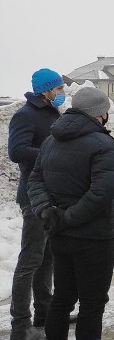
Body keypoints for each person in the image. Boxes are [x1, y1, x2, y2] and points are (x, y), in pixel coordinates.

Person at [27, 86, 114, 340]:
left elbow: (34, 181)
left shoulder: (50, 140)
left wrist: (48, 212)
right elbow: (102, 193)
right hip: (94, 238)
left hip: (59, 234)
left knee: (62, 299)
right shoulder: (104, 144)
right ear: (100, 114)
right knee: (92, 304)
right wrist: (66, 218)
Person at [7, 68, 65, 340]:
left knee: (47, 258)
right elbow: (16, 151)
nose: (62, 92)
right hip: (33, 196)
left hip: (51, 195)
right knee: (30, 261)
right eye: (59, 88)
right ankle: (21, 326)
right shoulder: (25, 115)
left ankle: (45, 313)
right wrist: (51, 152)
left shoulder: (52, 113)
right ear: (47, 90)